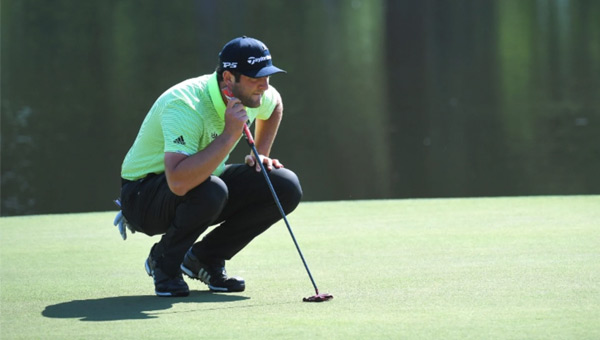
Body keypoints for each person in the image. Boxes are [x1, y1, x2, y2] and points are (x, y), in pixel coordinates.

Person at [114, 36, 302, 297]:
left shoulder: (257, 93)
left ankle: (204, 258)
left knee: (284, 185)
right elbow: (178, 182)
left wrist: (260, 153)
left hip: (201, 183)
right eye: (255, 77)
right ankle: (164, 263)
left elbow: (275, 106)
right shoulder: (185, 104)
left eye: (267, 76)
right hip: (143, 196)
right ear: (228, 77)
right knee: (211, 190)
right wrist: (229, 134)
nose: (264, 85)